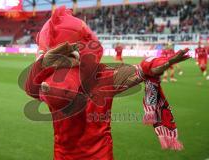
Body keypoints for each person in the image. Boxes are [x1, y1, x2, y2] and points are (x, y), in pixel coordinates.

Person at [23, 6, 190, 160]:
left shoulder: (53, 81)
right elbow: (141, 70)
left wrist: (42, 65)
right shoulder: (60, 79)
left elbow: (141, 70)